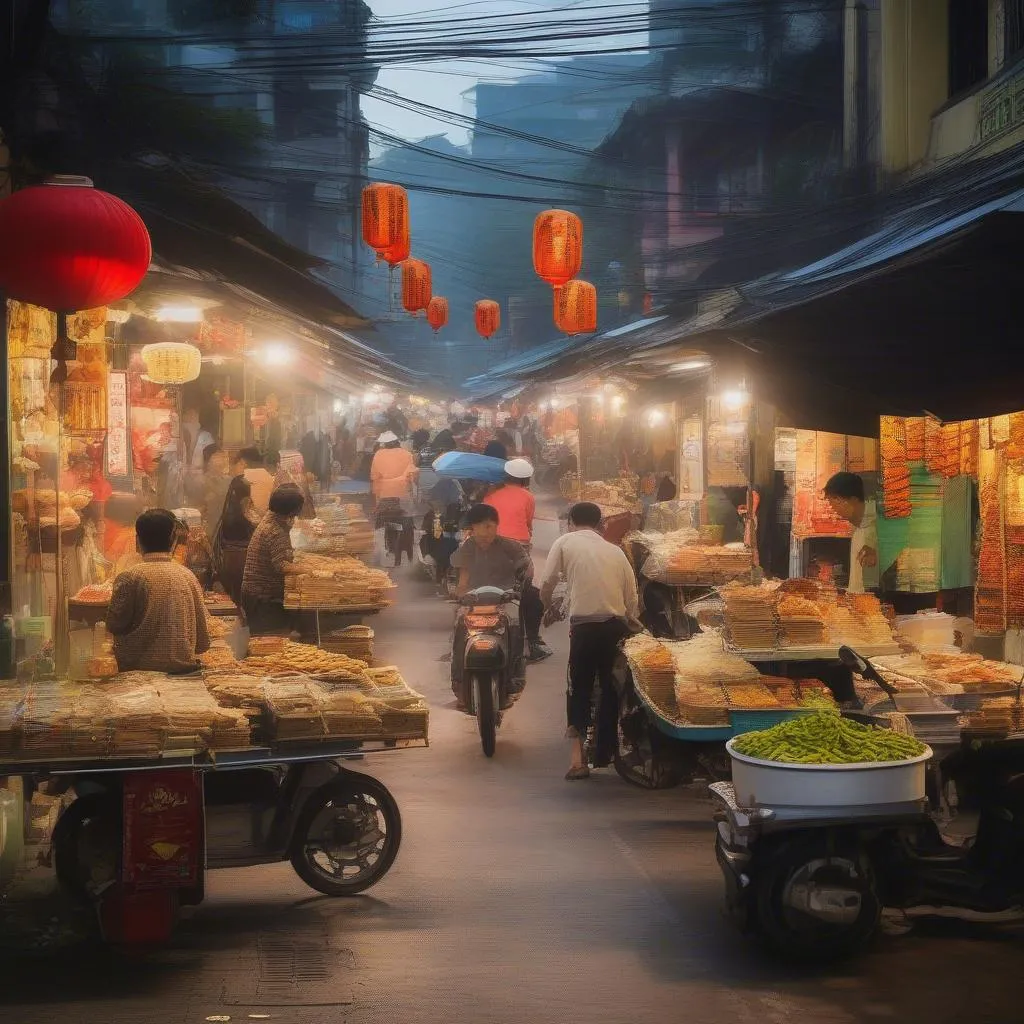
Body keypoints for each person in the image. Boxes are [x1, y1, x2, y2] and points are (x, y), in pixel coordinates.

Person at [539, 501, 640, 781]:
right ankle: (607, 749)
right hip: (614, 627)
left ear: (571, 520)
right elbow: (632, 596)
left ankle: (577, 760)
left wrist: (546, 606)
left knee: (579, 687)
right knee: (611, 685)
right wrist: (632, 621)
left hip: (584, 628)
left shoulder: (565, 542)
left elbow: (547, 581)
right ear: (599, 524)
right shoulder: (615, 550)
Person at [106, 508, 211, 673]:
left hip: (137, 675)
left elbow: (114, 625)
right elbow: (203, 642)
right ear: (172, 540)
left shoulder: (130, 577)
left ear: (137, 540)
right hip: (183, 674)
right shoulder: (188, 576)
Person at [450, 503, 533, 706]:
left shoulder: (511, 547)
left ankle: (514, 677)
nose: (486, 532)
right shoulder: (466, 548)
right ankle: (459, 682)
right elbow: (462, 579)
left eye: (489, 526)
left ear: (496, 526)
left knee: (514, 627)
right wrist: (460, 595)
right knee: (459, 629)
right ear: (472, 528)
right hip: (474, 600)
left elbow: (526, 570)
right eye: (480, 526)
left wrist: (521, 587)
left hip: (505, 599)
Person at [485, 458, 551, 662]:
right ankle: (533, 641)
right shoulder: (527, 496)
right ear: (526, 480)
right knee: (530, 595)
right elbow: (528, 523)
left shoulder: (490, 496)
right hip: (518, 550)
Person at [241, 484, 305, 635]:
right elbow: (281, 565)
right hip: (263, 598)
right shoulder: (274, 529)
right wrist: (309, 569)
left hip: (256, 595)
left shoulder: (271, 520)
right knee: (270, 644)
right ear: (291, 510)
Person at [823, 471, 879, 594]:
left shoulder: (877, 528)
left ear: (853, 500)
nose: (832, 507)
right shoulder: (859, 530)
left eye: (836, 500)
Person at [214, 452, 257, 605]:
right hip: (238, 550)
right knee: (239, 594)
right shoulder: (242, 484)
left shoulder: (237, 483)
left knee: (236, 593)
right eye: (243, 464)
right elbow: (249, 514)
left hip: (232, 547)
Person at [371, 430, 418, 565]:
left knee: (382, 524)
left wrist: (377, 500)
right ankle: (407, 552)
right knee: (407, 522)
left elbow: (375, 478)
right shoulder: (407, 454)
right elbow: (411, 475)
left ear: (384, 444)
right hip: (403, 495)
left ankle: (386, 549)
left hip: (385, 496)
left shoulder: (378, 455)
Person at [239, 447, 276, 518]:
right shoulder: (265, 472)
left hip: (258, 517)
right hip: (267, 515)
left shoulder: (250, 473)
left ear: (243, 461)